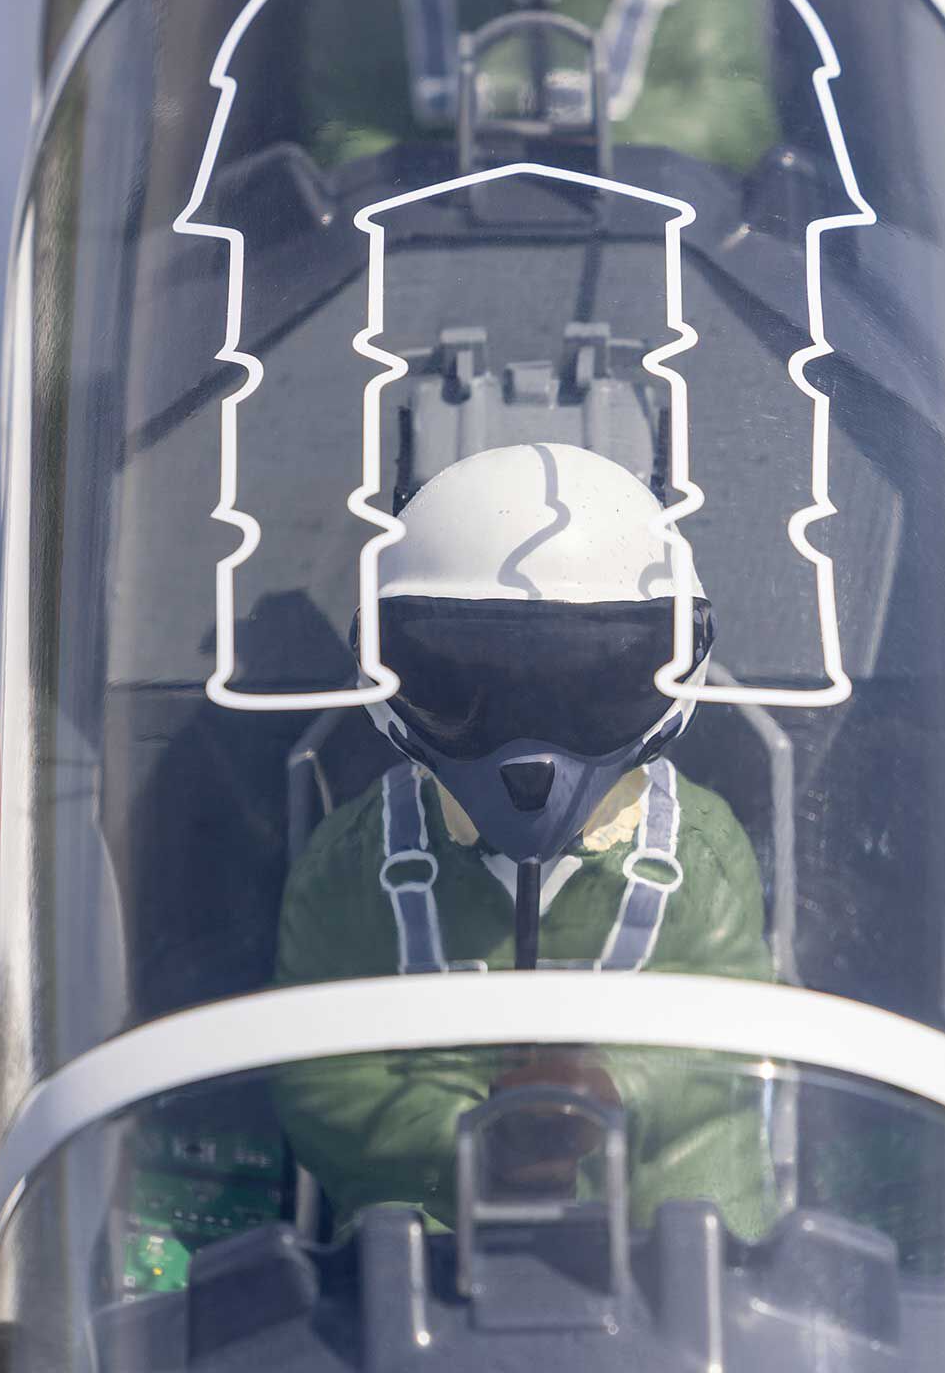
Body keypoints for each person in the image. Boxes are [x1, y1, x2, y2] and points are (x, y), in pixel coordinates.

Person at [271, 441, 777, 1238]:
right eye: (459, 683)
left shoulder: (699, 852)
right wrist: (462, 1143)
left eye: (597, 686)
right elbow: (319, 1080)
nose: (533, 756)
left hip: (673, 1228)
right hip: (430, 1235)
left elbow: (732, 1051)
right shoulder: (353, 865)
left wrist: (617, 1090)